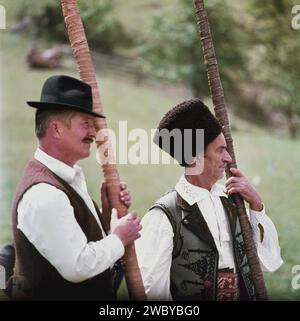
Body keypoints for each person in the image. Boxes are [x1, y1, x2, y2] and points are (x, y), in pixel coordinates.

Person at [135, 98, 283, 301]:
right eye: (220, 150)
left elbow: (267, 261)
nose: (228, 158)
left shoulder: (232, 201)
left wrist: (256, 206)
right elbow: (151, 291)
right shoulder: (163, 216)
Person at [10, 75, 142, 300]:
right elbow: (78, 266)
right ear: (57, 129)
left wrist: (106, 218)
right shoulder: (44, 194)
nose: (93, 133)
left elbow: (79, 242)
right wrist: (119, 237)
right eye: (86, 124)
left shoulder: (67, 177)